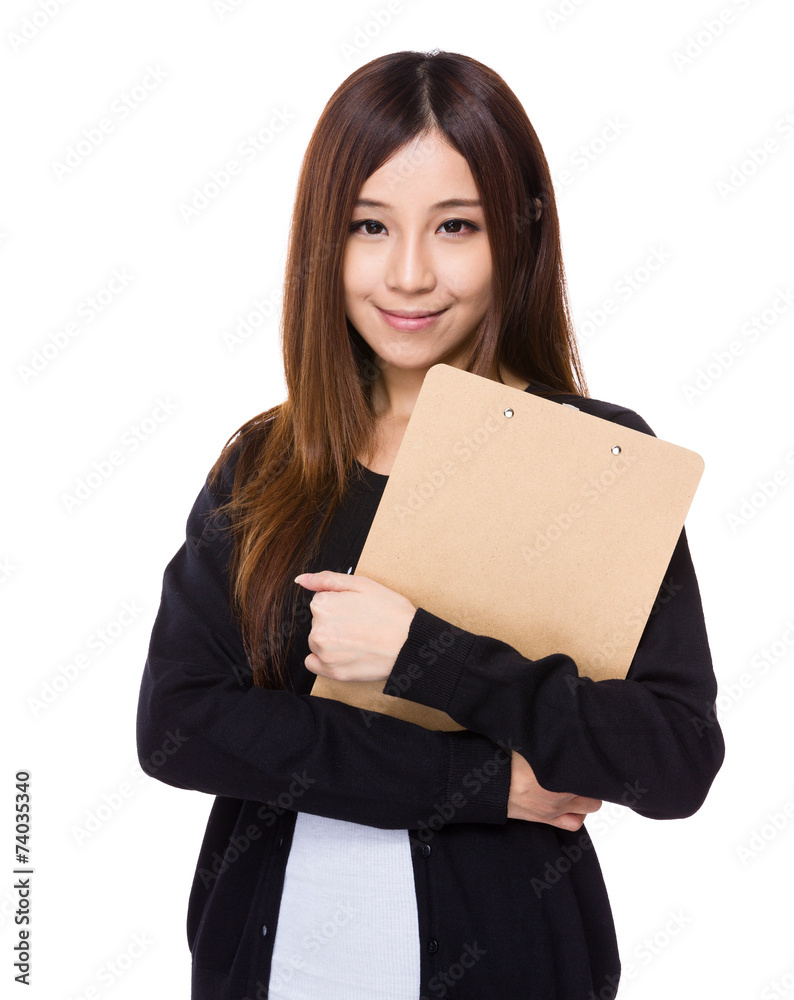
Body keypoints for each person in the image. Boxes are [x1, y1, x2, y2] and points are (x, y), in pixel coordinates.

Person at [136, 49, 725, 1000]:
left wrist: (423, 653)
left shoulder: (596, 457)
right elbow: (181, 725)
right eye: (369, 225)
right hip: (275, 970)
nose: (408, 274)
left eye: (456, 226)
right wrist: (484, 784)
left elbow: (672, 758)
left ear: (520, 234)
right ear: (323, 240)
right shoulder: (268, 462)